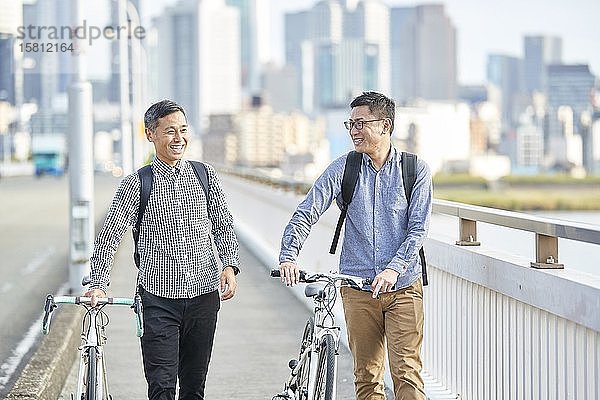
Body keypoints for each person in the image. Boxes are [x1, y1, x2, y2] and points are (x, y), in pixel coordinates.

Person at [278, 91, 432, 399]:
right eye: (351, 124)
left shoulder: (415, 170)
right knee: (367, 376)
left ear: (385, 126)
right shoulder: (343, 169)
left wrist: (392, 269)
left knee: (406, 374)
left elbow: (418, 229)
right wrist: (288, 256)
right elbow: (307, 211)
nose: (353, 131)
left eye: (361, 124)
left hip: (402, 287)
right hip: (357, 289)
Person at [85, 99, 240, 400]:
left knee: (194, 388)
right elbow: (109, 235)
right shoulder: (136, 184)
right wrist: (98, 284)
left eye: (183, 130)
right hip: (157, 300)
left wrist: (230, 265)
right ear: (150, 134)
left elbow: (223, 224)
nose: (179, 138)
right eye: (169, 131)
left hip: (204, 297)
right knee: (161, 387)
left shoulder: (205, 175)